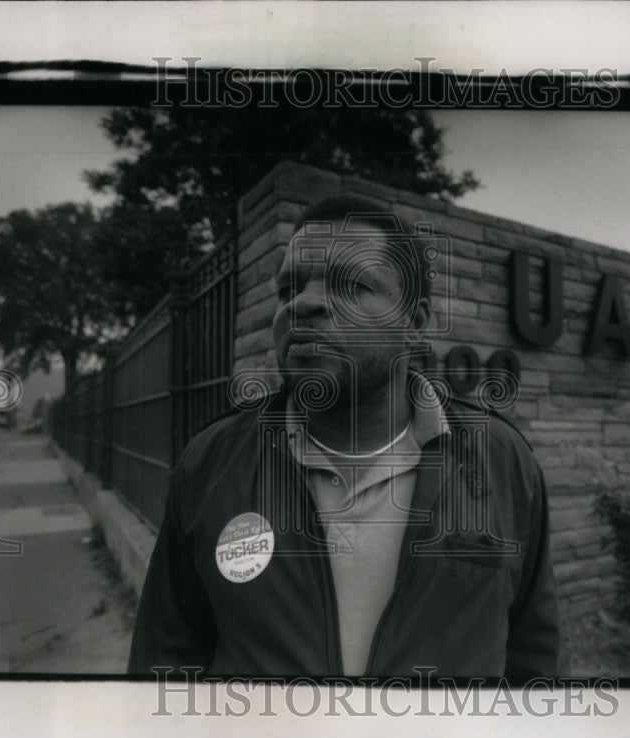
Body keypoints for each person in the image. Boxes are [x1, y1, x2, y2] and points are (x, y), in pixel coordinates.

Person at [128, 194, 562, 681]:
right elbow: (163, 662)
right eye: (290, 288)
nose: (304, 304)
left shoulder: (502, 461)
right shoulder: (209, 464)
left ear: (414, 324)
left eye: (352, 285)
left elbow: (536, 657)